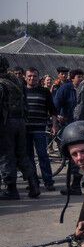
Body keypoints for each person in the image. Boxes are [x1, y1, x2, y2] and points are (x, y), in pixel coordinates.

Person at [0, 56, 40, 199]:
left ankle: (11, 189)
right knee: (22, 155)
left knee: (6, 156)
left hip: (6, 124)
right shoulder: (16, 81)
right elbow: (25, 103)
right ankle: (34, 184)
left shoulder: (1, 84)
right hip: (21, 122)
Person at [23, 67, 57, 191]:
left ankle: (48, 182)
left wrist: (54, 125)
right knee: (29, 157)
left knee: (43, 155)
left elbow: (53, 110)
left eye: (35, 76)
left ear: (39, 78)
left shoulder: (44, 92)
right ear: (25, 77)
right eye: (30, 76)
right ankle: (33, 182)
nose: (32, 78)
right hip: (25, 130)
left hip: (39, 129)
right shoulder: (21, 91)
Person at [53, 68, 84, 196]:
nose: (81, 79)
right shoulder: (65, 89)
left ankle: (75, 185)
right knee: (71, 157)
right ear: (72, 78)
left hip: (82, 128)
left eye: (82, 76)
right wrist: (55, 123)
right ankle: (72, 185)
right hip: (68, 127)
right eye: (79, 77)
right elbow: (55, 108)